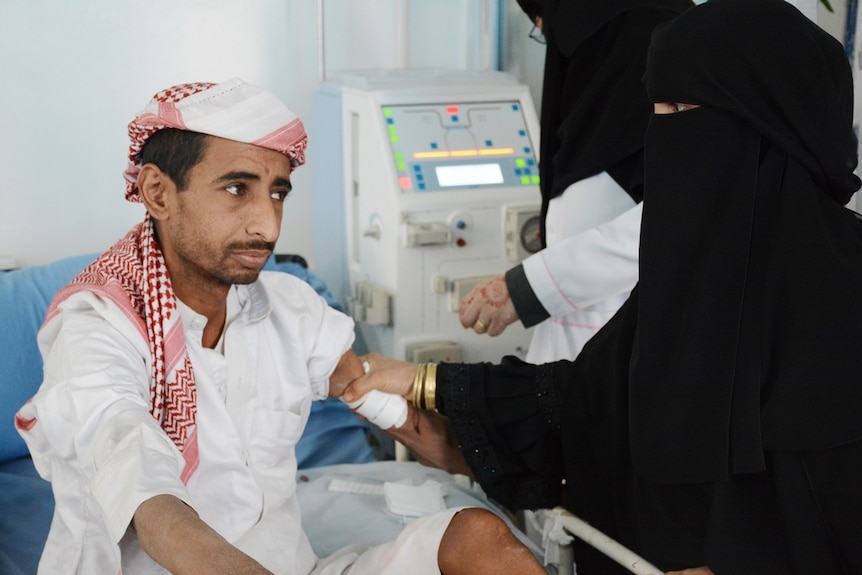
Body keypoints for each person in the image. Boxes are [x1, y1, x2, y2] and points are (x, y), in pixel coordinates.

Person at [345, 1, 862, 573]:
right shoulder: (693, 276)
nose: (662, 135)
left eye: (683, 108)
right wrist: (429, 388)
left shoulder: (842, 301)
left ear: (767, 122)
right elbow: (586, 400)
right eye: (657, 109)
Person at [14, 79, 546, 575]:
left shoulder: (290, 306)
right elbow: (142, 490)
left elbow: (385, 407)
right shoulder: (96, 330)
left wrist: (529, 481)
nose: (267, 225)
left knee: (479, 538)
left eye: (277, 192)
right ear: (158, 193)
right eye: (236, 189)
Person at [458, 0, 690, 363]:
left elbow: (673, 226)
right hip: (581, 384)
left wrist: (526, 289)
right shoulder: (594, 129)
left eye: (544, 25)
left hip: (635, 384)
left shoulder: (677, 117)